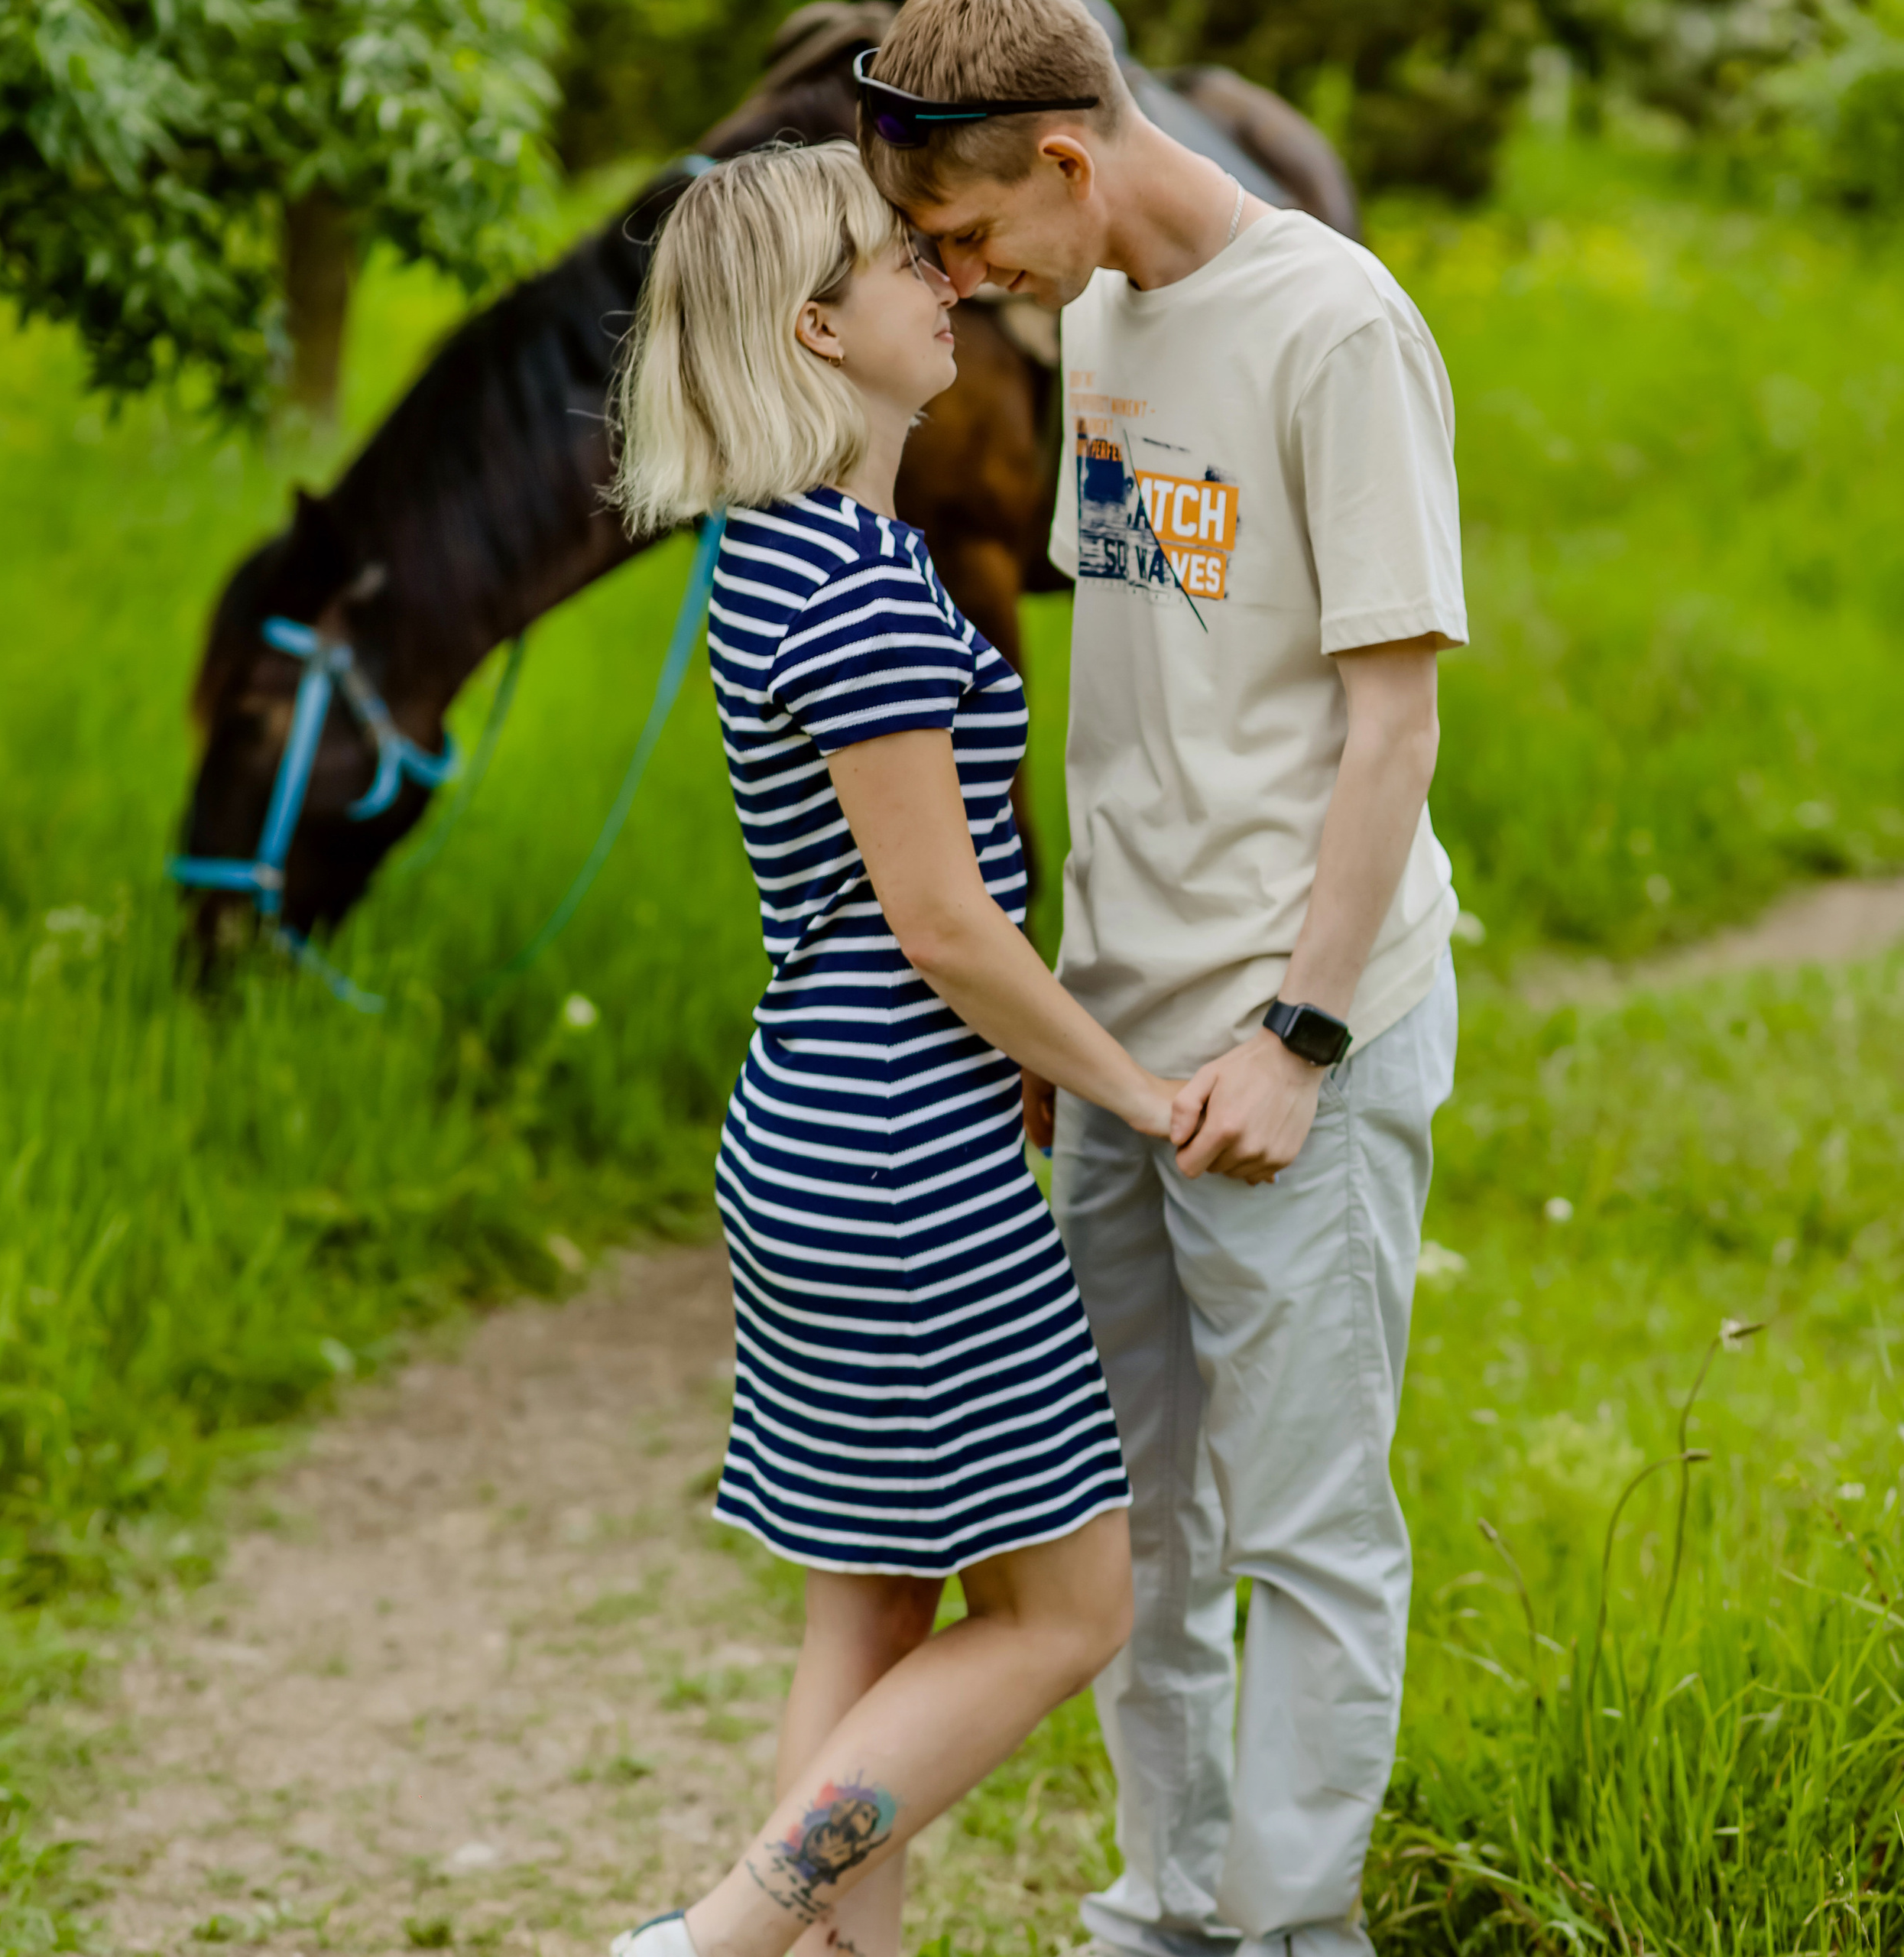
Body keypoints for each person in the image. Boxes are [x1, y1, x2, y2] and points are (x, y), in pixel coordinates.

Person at [857, 5, 1466, 1954]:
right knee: (1141, 1524)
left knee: (1300, 1526)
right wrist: (1059, 999)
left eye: (960, 238)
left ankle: (1292, 1929)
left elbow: (1390, 732)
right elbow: (1128, 694)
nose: (956, 287)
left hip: (1291, 1029)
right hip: (1116, 1038)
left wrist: (1294, 1034)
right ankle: (1172, 1905)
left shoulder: (1334, 326)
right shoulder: (1101, 322)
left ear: (1063, 160)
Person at [608, 140, 1186, 1957]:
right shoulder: (856, 589)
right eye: (900, 264)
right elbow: (941, 925)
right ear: (815, 325)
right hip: (902, 1162)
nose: (946, 283)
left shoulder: (771, 555)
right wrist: (1139, 1089)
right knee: (1070, 1606)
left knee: (867, 1609)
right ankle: (716, 1934)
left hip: (813, 1130)